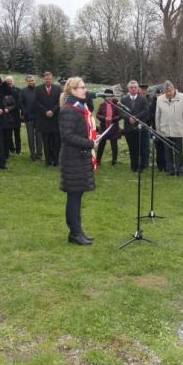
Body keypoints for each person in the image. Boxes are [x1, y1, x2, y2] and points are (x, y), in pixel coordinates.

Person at [59, 77, 97, 245]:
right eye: (82, 87)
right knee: (74, 196)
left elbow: (80, 130)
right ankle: (75, 233)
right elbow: (67, 136)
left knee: (77, 195)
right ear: (73, 90)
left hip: (80, 157)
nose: (85, 90)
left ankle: (77, 231)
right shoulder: (68, 109)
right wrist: (90, 143)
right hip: (72, 159)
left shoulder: (82, 107)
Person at [155, 80, 183, 176]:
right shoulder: (160, 99)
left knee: (178, 151)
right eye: (166, 92)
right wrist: (158, 130)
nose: (169, 93)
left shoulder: (182, 98)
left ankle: (179, 169)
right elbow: (157, 116)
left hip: (178, 129)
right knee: (167, 152)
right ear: (164, 91)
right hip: (165, 130)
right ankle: (170, 170)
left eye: (170, 91)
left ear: (174, 89)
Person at [120, 80, 149, 172]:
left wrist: (136, 118)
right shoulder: (124, 100)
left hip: (140, 129)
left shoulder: (143, 99)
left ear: (138, 89)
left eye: (135, 87)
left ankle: (141, 166)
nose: (133, 89)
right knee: (132, 148)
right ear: (128, 89)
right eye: (131, 87)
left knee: (141, 148)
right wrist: (128, 118)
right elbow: (120, 112)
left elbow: (145, 111)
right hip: (129, 128)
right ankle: (133, 166)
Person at [35, 71, 61, 166]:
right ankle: (48, 160)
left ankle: (56, 160)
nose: (48, 80)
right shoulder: (38, 89)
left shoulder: (58, 89)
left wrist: (52, 111)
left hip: (55, 120)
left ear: (52, 79)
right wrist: (46, 111)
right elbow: (37, 102)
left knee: (56, 141)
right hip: (44, 120)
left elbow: (60, 102)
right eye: (46, 79)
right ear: (43, 79)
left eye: (49, 79)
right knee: (46, 141)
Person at [20, 74, 43, 160]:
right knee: (30, 137)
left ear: (34, 81)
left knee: (39, 136)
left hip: (39, 117)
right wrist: (24, 112)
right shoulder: (23, 91)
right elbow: (21, 102)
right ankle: (32, 154)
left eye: (32, 80)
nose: (31, 82)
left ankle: (39, 154)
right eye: (29, 81)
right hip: (28, 117)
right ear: (27, 82)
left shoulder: (39, 90)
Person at [96, 89, 121, 166]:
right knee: (101, 145)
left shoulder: (116, 105)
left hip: (114, 129)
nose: (109, 97)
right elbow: (98, 115)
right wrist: (104, 118)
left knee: (114, 146)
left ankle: (114, 161)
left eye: (110, 96)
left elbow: (120, 115)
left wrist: (113, 119)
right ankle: (98, 160)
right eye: (107, 96)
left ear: (112, 96)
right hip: (103, 129)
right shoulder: (102, 105)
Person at [149, 85, 166, 171]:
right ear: (156, 95)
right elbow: (151, 115)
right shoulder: (153, 103)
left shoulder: (166, 102)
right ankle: (160, 165)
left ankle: (166, 165)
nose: (159, 95)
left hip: (165, 128)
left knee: (165, 147)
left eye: (161, 93)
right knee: (158, 147)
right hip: (156, 128)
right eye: (158, 94)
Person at [4, 76, 21, 155]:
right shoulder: (3, 91)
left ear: (13, 81)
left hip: (16, 115)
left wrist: (9, 109)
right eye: (7, 81)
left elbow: (19, 103)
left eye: (10, 81)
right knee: (8, 134)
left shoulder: (18, 90)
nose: (9, 82)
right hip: (6, 116)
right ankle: (11, 149)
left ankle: (18, 150)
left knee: (17, 134)